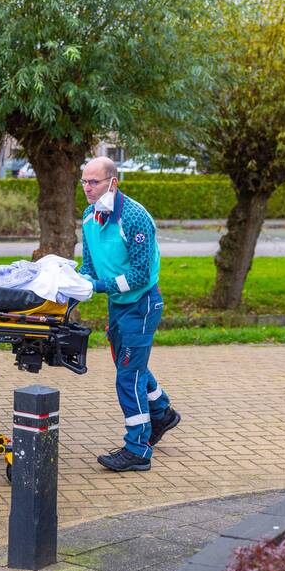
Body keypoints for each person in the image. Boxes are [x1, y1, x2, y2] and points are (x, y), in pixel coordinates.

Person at [78, 157, 180, 471]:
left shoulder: (134, 218)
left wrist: (98, 286)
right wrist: (74, 283)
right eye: (83, 181)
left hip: (142, 303)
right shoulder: (88, 218)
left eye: (93, 182)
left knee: (128, 376)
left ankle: (137, 449)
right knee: (131, 366)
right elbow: (89, 266)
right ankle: (162, 412)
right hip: (118, 305)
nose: (87, 188)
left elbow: (139, 274)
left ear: (113, 182)